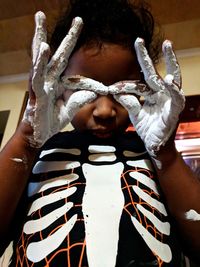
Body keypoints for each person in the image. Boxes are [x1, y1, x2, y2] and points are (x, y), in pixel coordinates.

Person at [0, 0, 200, 266]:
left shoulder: (155, 155)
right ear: (58, 85)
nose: (104, 110)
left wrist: (167, 155)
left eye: (124, 89)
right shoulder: (39, 151)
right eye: (85, 87)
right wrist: (26, 140)